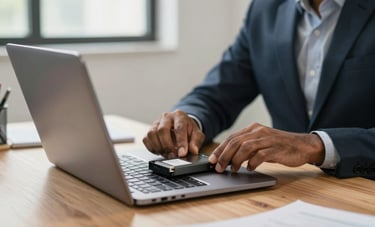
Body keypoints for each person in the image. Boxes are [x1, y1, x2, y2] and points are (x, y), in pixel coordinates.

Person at [143, 0, 375, 179]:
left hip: (363, 192)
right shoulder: (265, 9)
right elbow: (218, 93)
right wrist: (188, 122)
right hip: (291, 191)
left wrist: (316, 145)